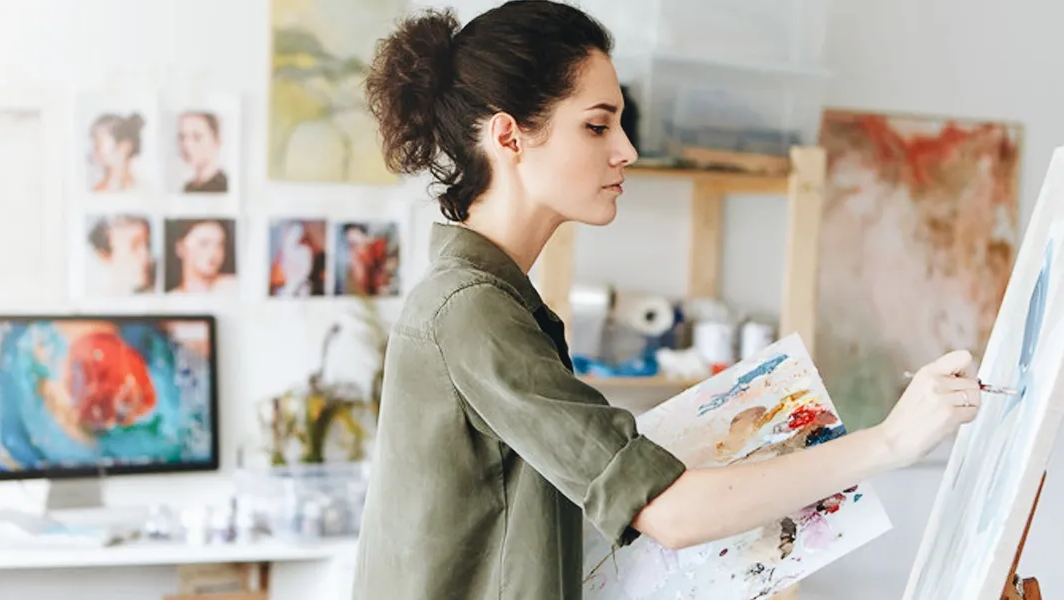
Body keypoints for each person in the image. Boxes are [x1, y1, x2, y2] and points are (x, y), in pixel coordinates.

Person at [352, 2, 984, 599]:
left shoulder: (488, 301)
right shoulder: (470, 309)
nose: (626, 150)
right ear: (509, 137)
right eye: (597, 125)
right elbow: (670, 513)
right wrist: (891, 442)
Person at [177, 111, 229, 193]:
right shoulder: (188, 188)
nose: (186, 145)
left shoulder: (224, 188)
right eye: (182, 137)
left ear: (216, 140)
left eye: (197, 137)